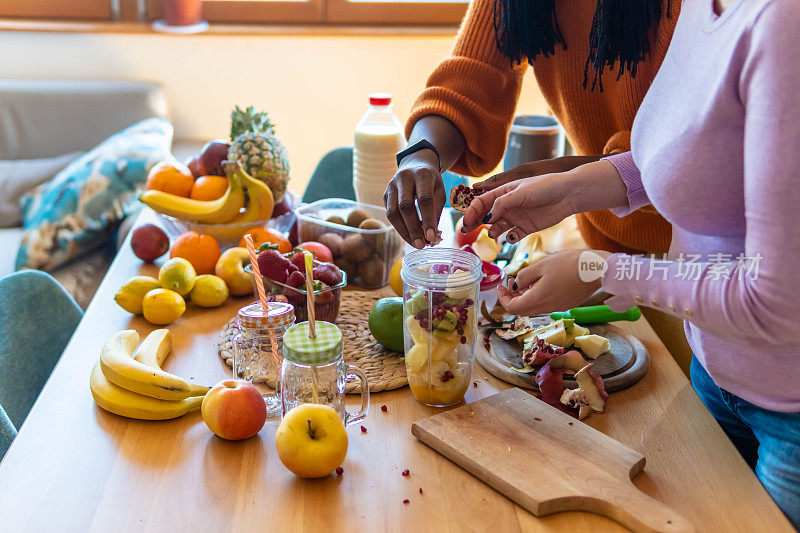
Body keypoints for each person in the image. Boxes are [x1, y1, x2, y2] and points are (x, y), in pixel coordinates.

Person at [462, 0, 800, 526]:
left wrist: (600, 270)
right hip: (714, 375)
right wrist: (569, 192)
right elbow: (694, 153)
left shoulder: (784, 24)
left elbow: (774, 302)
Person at [386, 0, 679, 254]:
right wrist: (420, 156)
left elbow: (692, 159)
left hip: (699, 254)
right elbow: (469, 85)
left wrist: (567, 180)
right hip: (602, 245)